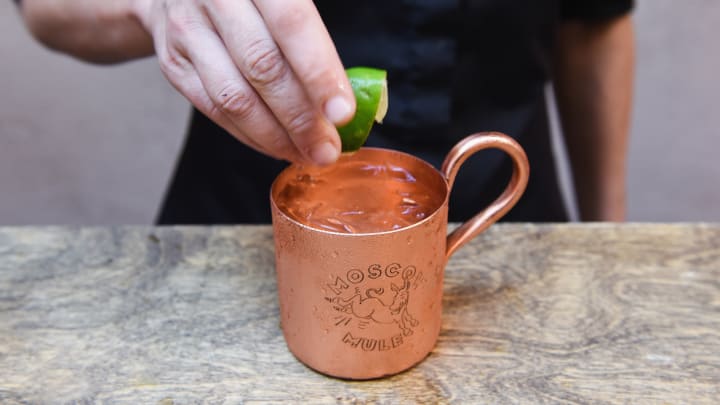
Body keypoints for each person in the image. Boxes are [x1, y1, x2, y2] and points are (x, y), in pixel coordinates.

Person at [14, 0, 634, 224]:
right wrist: (154, 8)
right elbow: (44, 8)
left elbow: (595, 26)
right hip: (241, 223)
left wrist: (607, 235)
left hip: (503, 224)